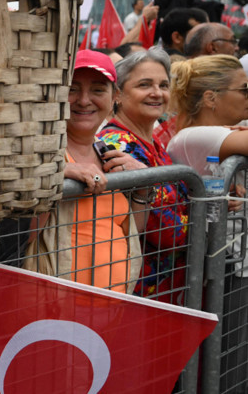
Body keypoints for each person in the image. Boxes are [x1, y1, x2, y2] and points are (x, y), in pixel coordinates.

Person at [166, 54, 248, 393]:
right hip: (223, 271)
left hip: (229, 265)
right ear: (211, 97)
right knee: (229, 372)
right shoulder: (196, 135)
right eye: (244, 89)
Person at [97, 47, 188, 303]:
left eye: (163, 85)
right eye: (144, 85)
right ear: (118, 95)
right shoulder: (119, 145)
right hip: (135, 290)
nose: (157, 93)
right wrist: (205, 223)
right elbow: (169, 232)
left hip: (164, 288)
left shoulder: (151, 142)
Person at [58, 50, 150, 292]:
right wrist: (54, 172)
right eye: (72, 89)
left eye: (98, 90)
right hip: (56, 312)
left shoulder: (109, 153)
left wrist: (142, 183)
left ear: (115, 97)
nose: (84, 100)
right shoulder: (44, 155)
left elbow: (131, 231)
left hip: (113, 308)